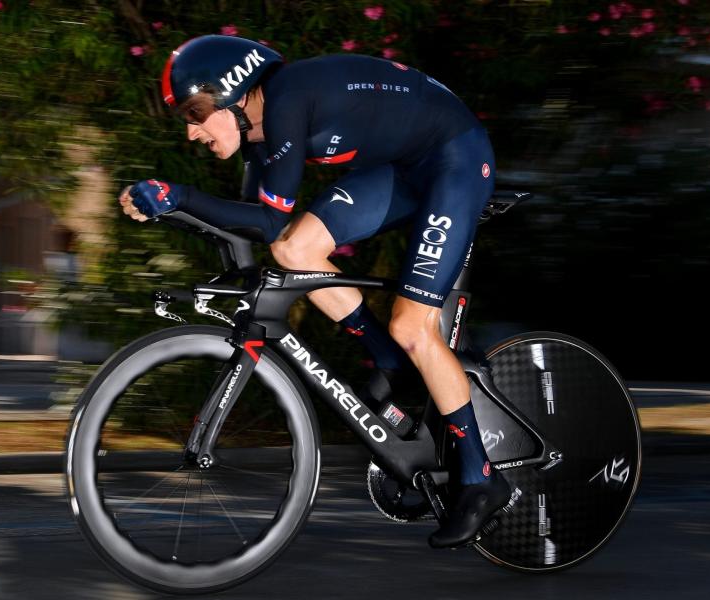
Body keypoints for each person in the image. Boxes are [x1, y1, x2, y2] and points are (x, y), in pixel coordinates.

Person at [118, 35, 508, 548]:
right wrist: (173, 210)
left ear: (234, 94)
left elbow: (265, 216)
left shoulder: (286, 102)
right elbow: (257, 233)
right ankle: (389, 361)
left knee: (412, 325)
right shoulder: (258, 132)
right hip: (405, 168)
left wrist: (178, 196)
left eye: (196, 113)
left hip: (455, 158)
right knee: (293, 249)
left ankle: (480, 480)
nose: (192, 133)